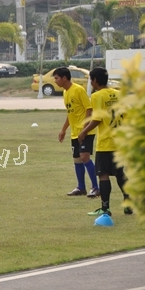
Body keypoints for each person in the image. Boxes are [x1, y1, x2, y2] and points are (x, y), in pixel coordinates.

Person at [78, 67, 132, 216]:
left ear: (95, 80)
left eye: (90, 79)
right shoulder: (119, 94)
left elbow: (97, 118)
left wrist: (84, 131)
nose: (91, 82)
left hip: (106, 142)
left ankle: (105, 208)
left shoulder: (97, 96)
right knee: (120, 173)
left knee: (103, 174)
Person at [53, 67, 99, 198]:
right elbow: (70, 113)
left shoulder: (78, 90)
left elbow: (89, 109)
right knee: (77, 160)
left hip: (85, 132)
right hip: (75, 132)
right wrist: (63, 130)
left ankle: (96, 188)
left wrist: (84, 130)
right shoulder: (65, 93)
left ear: (64, 78)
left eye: (56, 78)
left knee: (85, 157)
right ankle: (81, 187)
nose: (55, 81)